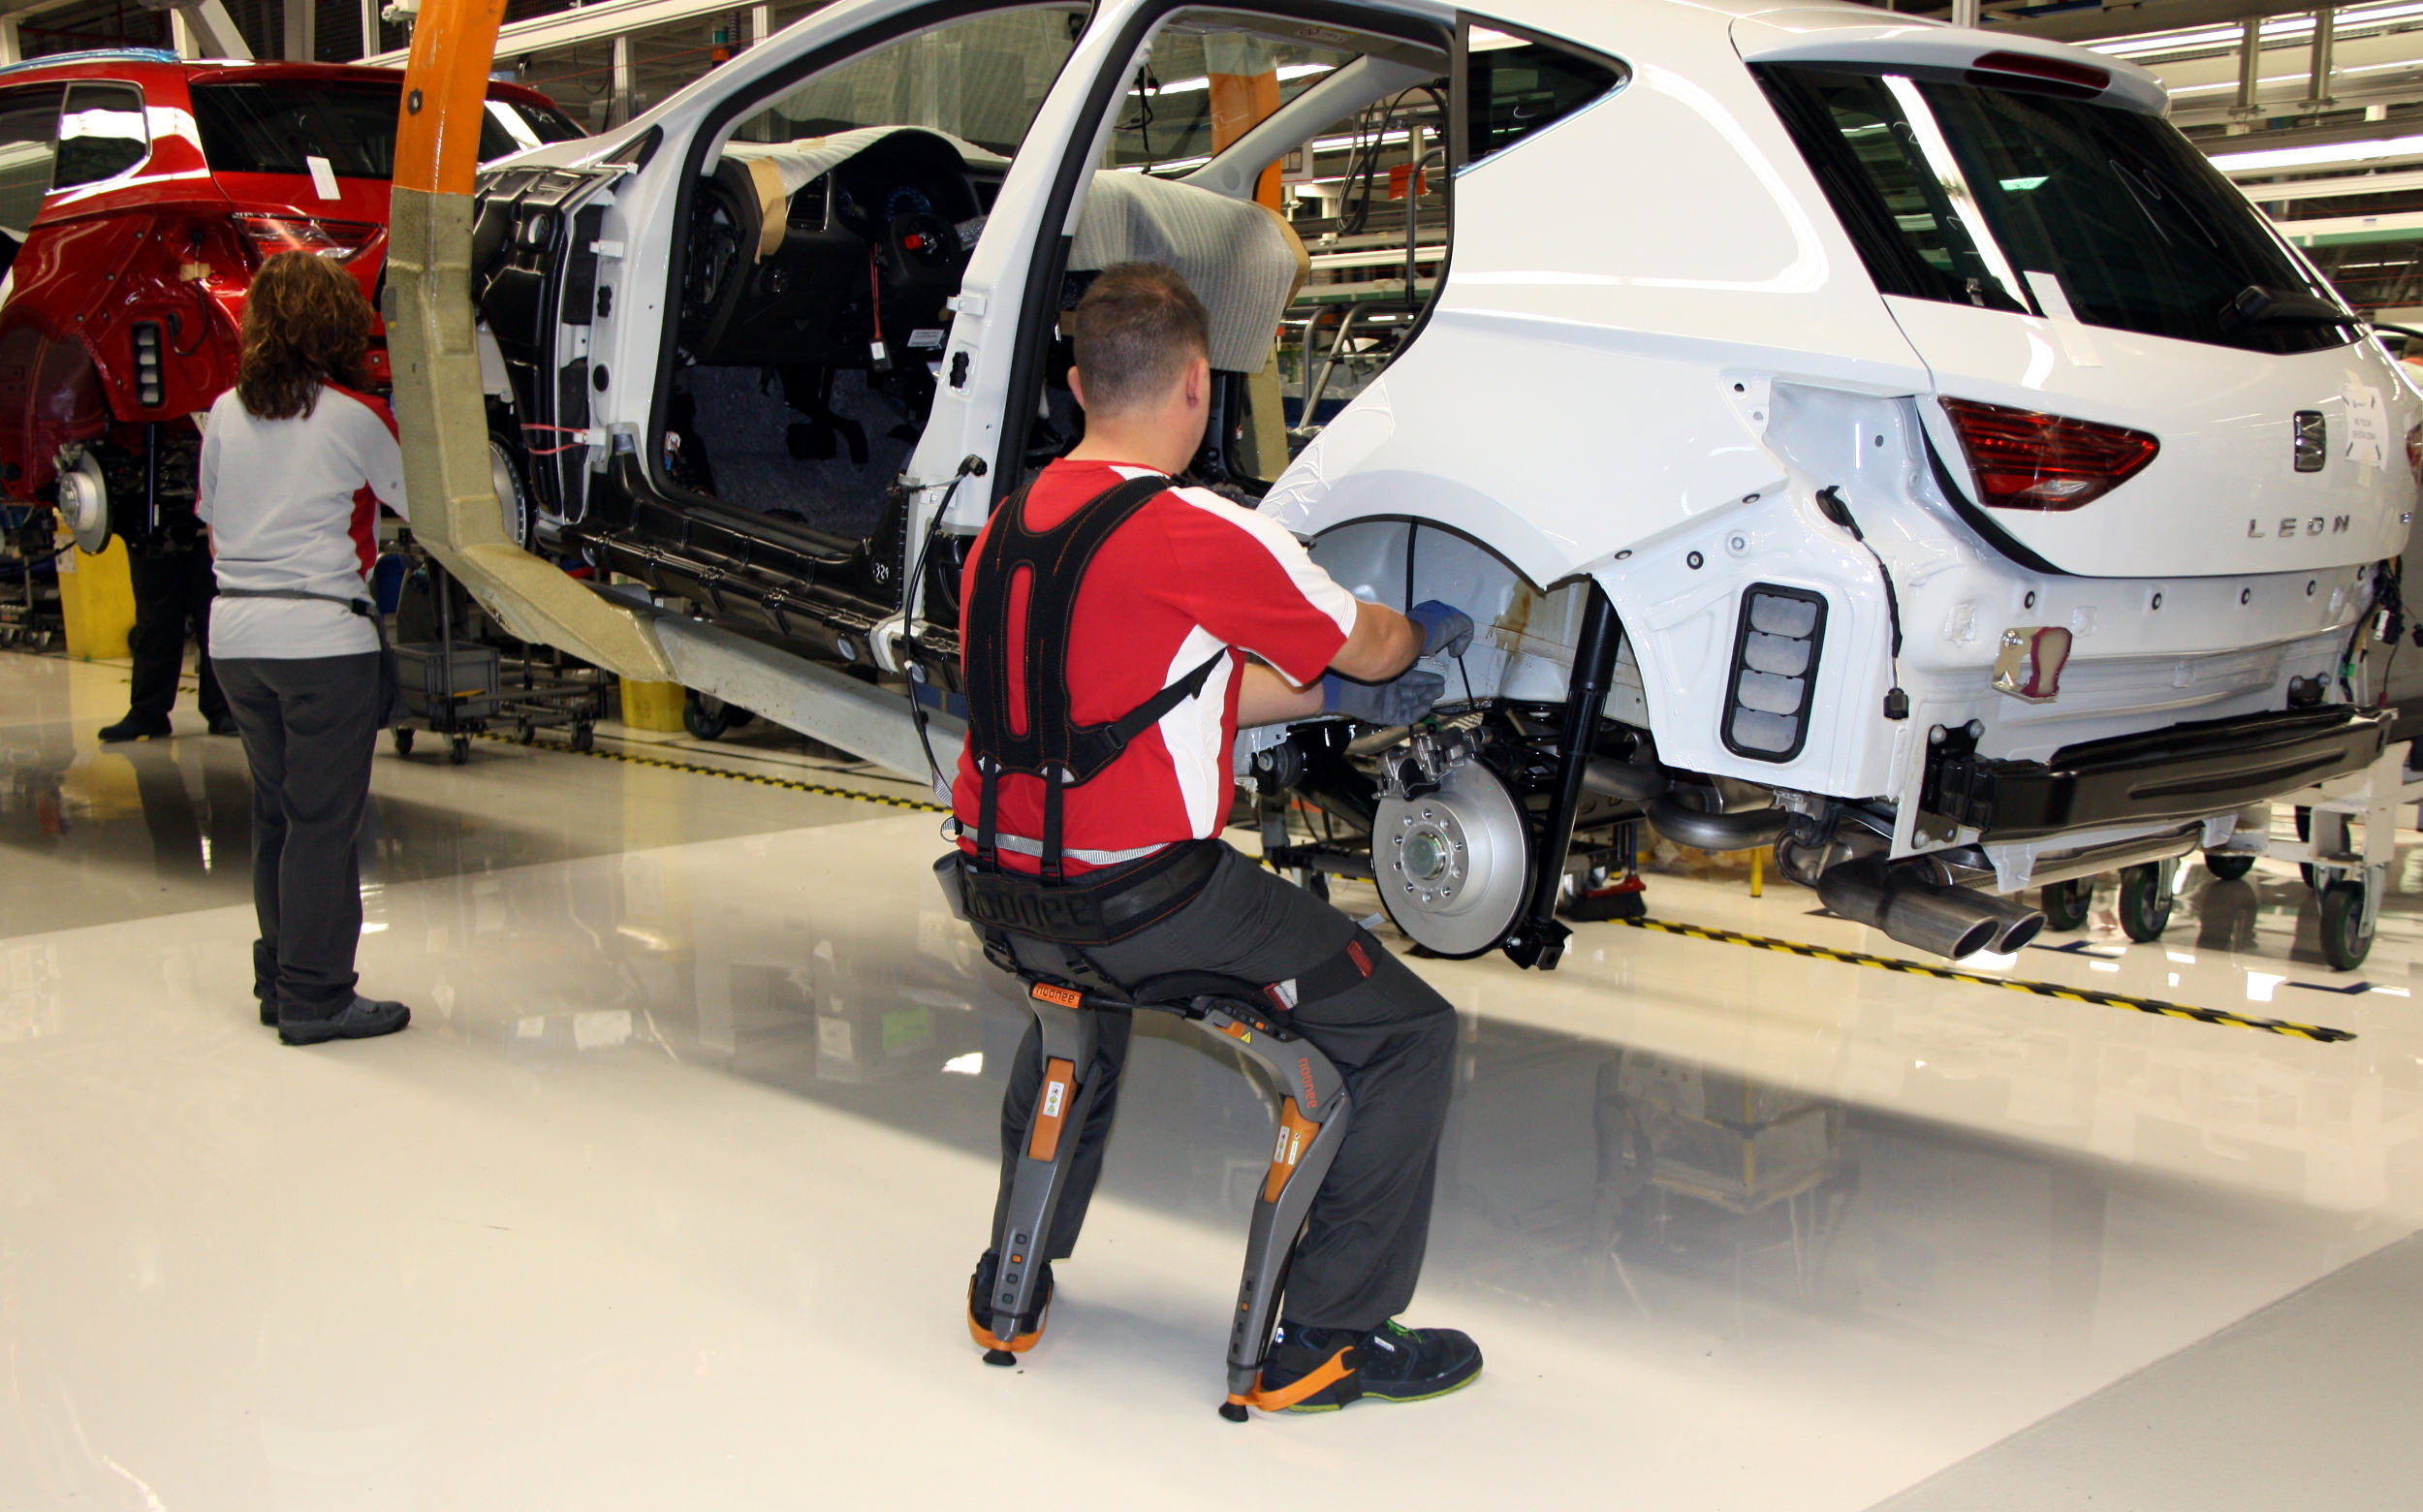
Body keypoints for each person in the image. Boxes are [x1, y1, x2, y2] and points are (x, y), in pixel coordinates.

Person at [949, 262, 1482, 1412]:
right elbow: (1373, 645)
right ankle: (1327, 1341)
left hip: (1005, 896)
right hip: (1149, 902)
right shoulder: (1195, 529)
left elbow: (1148, 693)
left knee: (1074, 1003)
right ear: (1198, 384)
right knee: (1407, 1035)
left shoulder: (1007, 529)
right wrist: (1401, 636)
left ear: (1081, 383)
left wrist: (1322, 698)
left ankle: (1012, 1285)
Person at [199, 250, 411, 1047]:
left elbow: (209, 514)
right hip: (322, 642)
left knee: (278, 814)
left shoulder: (224, 412)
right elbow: (420, 501)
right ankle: (317, 998)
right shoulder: (355, 417)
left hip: (236, 640)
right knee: (323, 822)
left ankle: (278, 978)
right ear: (338, 326)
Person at [97, 519, 237, 742]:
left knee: (215, 620)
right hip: (148, 530)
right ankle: (147, 712)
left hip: (209, 528)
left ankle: (222, 708)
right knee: (154, 622)